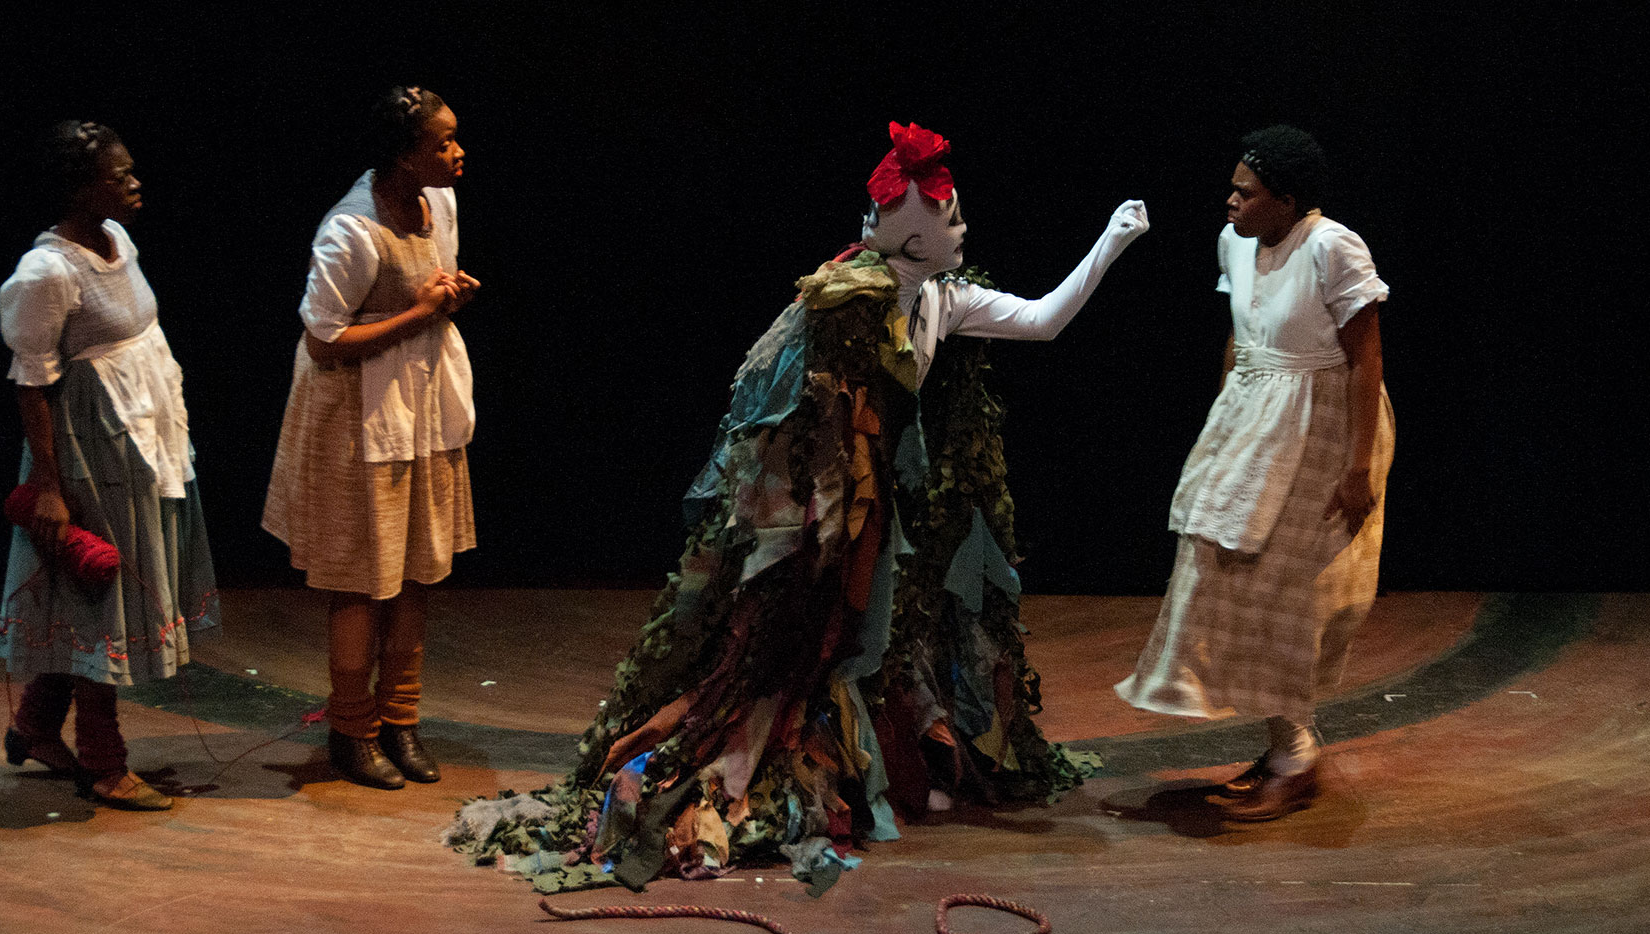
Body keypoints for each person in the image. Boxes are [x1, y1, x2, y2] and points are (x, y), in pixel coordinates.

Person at [445, 122, 1147, 893]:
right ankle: (774, 771)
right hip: (826, 509)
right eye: (950, 220)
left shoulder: (944, 300)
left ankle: (864, 768)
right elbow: (777, 417)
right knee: (805, 640)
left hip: (883, 505)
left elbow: (1042, 320)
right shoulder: (843, 303)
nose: (964, 228)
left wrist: (1111, 243)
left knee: (876, 636)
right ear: (911, 244)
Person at [1116, 125, 1394, 821]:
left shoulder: (1332, 245)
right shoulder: (1232, 243)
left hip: (1324, 423)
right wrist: (1224, 427)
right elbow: (1240, 339)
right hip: (1253, 415)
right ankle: (1285, 745)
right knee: (1222, 569)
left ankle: (1295, 757)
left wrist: (1358, 466)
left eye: (1247, 189)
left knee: (1289, 589)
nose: (1231, 198)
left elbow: (1366, 359)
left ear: (1287, 200)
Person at [0, 121, 221, 811]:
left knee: (100, 593)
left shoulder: (117, 241)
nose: (133, 182)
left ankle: (34, 725)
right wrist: (52, 489)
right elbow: (32, 385)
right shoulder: (48, 271)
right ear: (80, 187)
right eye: (118, 175)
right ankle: (103, 762)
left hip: (143, 441)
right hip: (93, 453)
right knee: (103, 601)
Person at [263, 86, 479, 790]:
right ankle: (352, 729)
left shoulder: (438, 203)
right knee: (361, 579)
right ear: (401, 153)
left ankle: (400, 717)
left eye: (455, 138)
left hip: (417, 410)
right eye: (441, 141)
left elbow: (424, 292)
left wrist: (444, 298)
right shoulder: (351, 232)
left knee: (416, 569)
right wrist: (418, 314)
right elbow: (324, 340)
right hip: (355, 416)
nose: (457, 151)